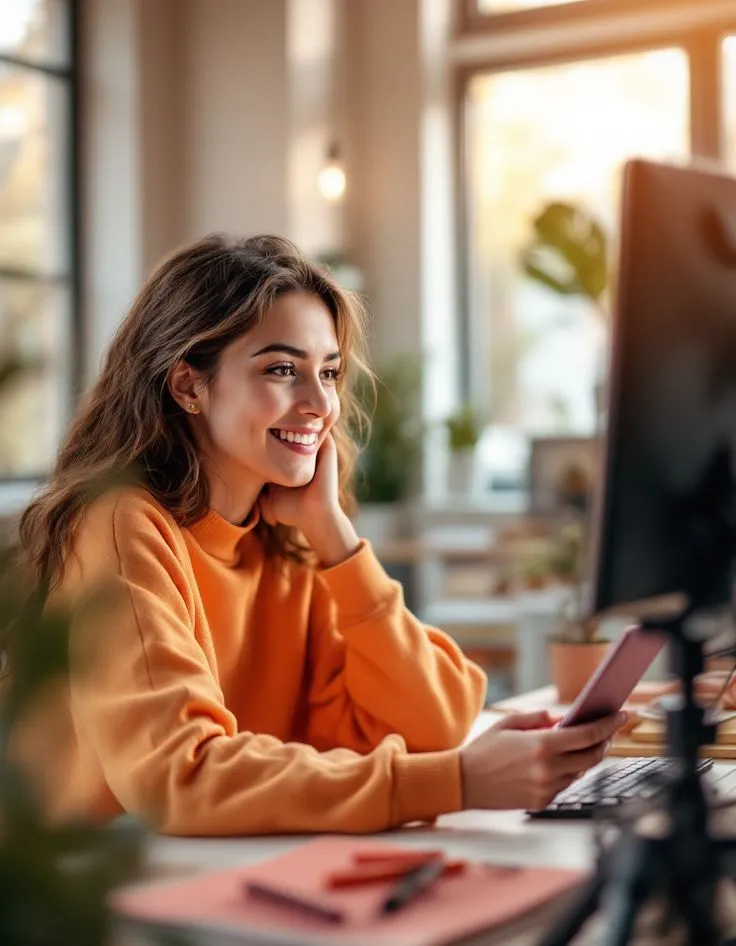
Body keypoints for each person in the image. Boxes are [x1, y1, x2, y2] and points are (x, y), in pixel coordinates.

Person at [14, 234, 623, 836]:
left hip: (221, 862)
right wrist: (457, 782)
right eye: (282, 369)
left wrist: (333, 535)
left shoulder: (287, 538)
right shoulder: (120, 525)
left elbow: (437, 721)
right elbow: (182, 774)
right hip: (87, 881)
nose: (319, 404)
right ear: (188, 386)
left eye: (328, 372)